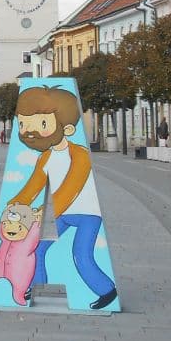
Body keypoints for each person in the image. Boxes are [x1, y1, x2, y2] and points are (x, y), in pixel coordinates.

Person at [8, 85, 118, 311]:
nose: (30, 131)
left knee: (80, 254)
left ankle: (106, 290)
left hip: (87, 213)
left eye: (42, 124)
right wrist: (14, 204)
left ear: (67, 129)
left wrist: (44, 210)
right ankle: (34, 287)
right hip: (64, 214)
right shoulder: (46, 157)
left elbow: (72, 187)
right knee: (37, 247)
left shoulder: (80, 155)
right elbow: (33, 186)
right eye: (24, 124)